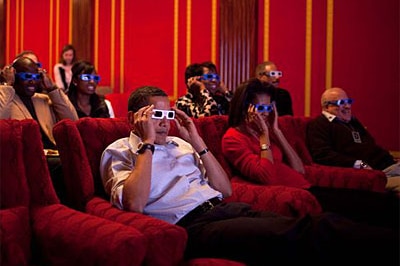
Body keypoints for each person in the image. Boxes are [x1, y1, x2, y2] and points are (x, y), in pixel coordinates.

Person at [99, 85, 398, 265]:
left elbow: (224, 188)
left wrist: (196, 139)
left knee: (316, 224)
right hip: (192, 225)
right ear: (133, 119)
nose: (163, 123)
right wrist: (148, 142)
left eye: (167, 115)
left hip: (224, 207)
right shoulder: (119, 150)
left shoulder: (181, 143)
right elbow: (135, 204)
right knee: (307, 234)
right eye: (155, 115)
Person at [221, 78, 399, 228]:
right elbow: (265, 175)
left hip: (306, 186)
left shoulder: (268, 132)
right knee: (366, 215)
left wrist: (277, 131)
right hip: (296, 194)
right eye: (261, 109)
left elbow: (299, 169)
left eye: (269, 109)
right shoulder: (233, 138)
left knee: (381, 203)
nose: (265, 115)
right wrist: (264, 136)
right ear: (245, 109)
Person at [0, 56, 79, 202]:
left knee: (77, 160)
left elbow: (73, 120)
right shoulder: (4, 96)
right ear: (13, 75)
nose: (32, 81)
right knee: (64, 165)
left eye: (36, 76)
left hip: (52, 154)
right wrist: (7, 85)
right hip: (25, 157)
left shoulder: (43, 99)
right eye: (26, 76)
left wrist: (52, 88)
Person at [306, 87, 400, 192]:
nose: (347, 106)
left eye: (349, 101)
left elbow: (370, 144)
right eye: (342, 102)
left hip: (389, 166)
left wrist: (391, 160)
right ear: (327, 106)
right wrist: (360, 164)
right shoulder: (319, 124)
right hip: (375, 174)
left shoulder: (352, 121)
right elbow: (322, 155)